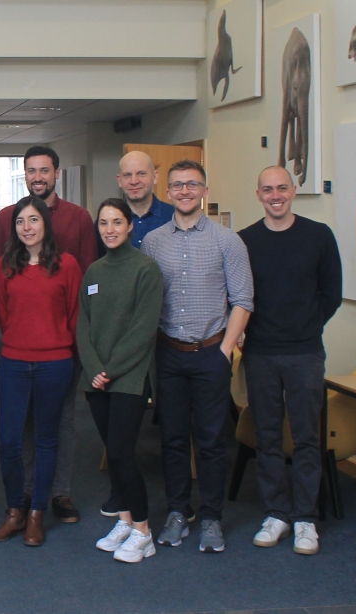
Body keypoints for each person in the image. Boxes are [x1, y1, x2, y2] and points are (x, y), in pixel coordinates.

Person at [141, 159, 254, 554]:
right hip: (168, 354)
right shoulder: (153, 241)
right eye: (177, 185)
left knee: (211, 441)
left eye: (192, 184)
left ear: (204, 191)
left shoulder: (228, 241)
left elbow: (243, 300)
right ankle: (177, 511)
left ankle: (211, 517)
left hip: (210, 353)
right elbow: (147, 300)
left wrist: (224, 350)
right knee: (172, 439)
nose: (185, 191)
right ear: (167, 192)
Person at [0, 145, 96, 523]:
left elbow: (85, 283)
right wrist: (1, 332)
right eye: (31, 170)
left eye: (44, 170)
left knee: (60, 421)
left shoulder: (79, 219)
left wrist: (74, 342)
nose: (38, 177)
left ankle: (58, 493)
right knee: (20, 425)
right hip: (15, 344)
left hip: (61, 347)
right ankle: (28, 494)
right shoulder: (6, 218)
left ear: (57, 173)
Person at [238, 166, 342, 556]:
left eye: (282, 188)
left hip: (304, 353)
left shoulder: (319, 236)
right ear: (258, 195)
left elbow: (332, 293)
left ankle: (305, 519)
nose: (275, 195)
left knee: (306, 438)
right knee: (266, 437)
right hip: (260, 353)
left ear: (294, 190)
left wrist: (305, 326)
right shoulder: (245, 240)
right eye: (267, 189)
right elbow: (238, 294)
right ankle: (276, 513)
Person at [78, 198, 163, 563]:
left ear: (130, 226)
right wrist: (93, 366)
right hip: (96, 379)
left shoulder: (146, 269)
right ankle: (125, 521)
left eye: (116, 222)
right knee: (113, 453)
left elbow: (143, 329)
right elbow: (83, 323)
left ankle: (144, 532)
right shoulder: (94, 271)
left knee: (122, 454)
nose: (110, 229)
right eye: (103, 223)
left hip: (129, 377)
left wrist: (110, 368)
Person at [96, 151, 175, 259]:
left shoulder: (173, 217)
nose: (134, 181)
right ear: (119, 180)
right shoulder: (105, 224)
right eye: (127, 175)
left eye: (141, 173)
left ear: (155, 176)